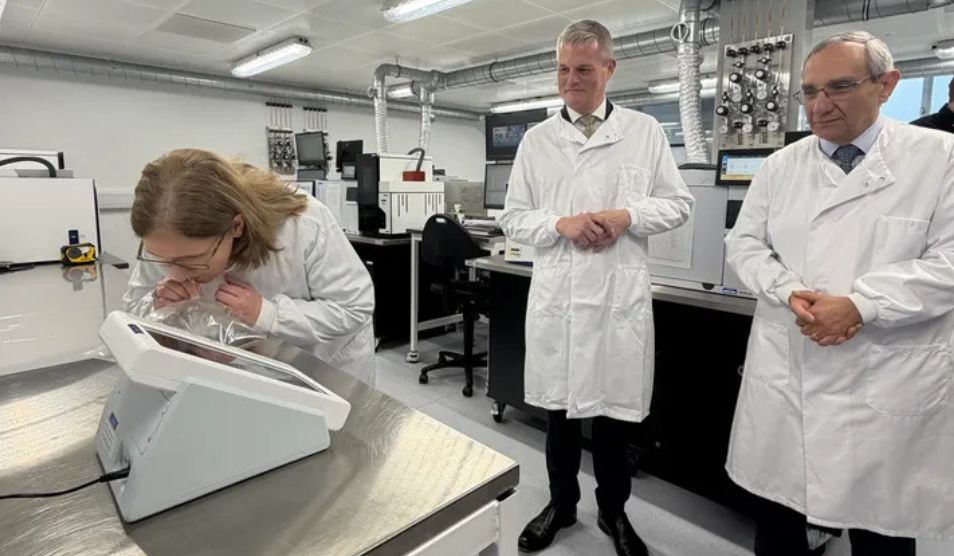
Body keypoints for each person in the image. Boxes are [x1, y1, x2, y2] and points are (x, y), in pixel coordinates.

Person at [725, 31, 954, 555]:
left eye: (839, 87)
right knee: (780, 526)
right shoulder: (781, 166)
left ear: (886, 85)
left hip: (889, 381)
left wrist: (861, 304)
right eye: (808, 91)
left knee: (883, 532)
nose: (819, 105)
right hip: (791, 371)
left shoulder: (940, 157)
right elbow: (744, 245)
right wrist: (786, 291)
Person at [500, 19, 693, 556]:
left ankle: (614, 513)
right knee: (558, 417)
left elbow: (679, 204)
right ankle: (561, 506)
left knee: (613, 420)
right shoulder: (538, 141)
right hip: (559, 299)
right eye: (562, 69)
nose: (570, 80)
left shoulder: (644, 132)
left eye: (583, 69)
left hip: (616, 300)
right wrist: (559, 224)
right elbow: (514, 218)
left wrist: (625, 215)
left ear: (608, 69)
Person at [123, 148, 376, 385]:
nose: (176, 273)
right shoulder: (166, 238)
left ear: (236, 227)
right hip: (237, 375)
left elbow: (353, 306)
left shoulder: (303, 225)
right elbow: (134, 305)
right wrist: (160, 311)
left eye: (192, 260)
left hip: (323, 366)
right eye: (162, 259)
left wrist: (266, 314)